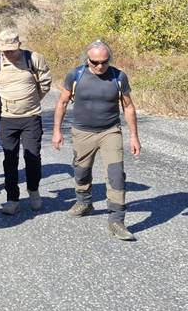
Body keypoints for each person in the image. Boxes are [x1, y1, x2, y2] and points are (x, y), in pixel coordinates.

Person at [52, 41, 141, 241]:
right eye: (95, 62)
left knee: (116, 174)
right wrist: (57, 131)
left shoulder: (118, 77)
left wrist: (134, 136)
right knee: (81, 171)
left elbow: (128, 107)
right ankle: (84, 201)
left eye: (104, 61)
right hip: (83, 132)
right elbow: (62, 103)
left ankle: (116, 220)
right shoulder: (76, 75)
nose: (100, 66)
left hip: (110, 131)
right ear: (87, 60)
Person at [0, 30, 52, 215]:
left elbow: (45, 82)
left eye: (12, 50)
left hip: (31, 117)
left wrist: (33, 99)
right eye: (5, 51)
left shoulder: (34, 58)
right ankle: (12, 199)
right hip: (7, 120)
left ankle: (33, 191)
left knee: (33, 157)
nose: (9, 54)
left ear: (19, 45)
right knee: (9, 160)